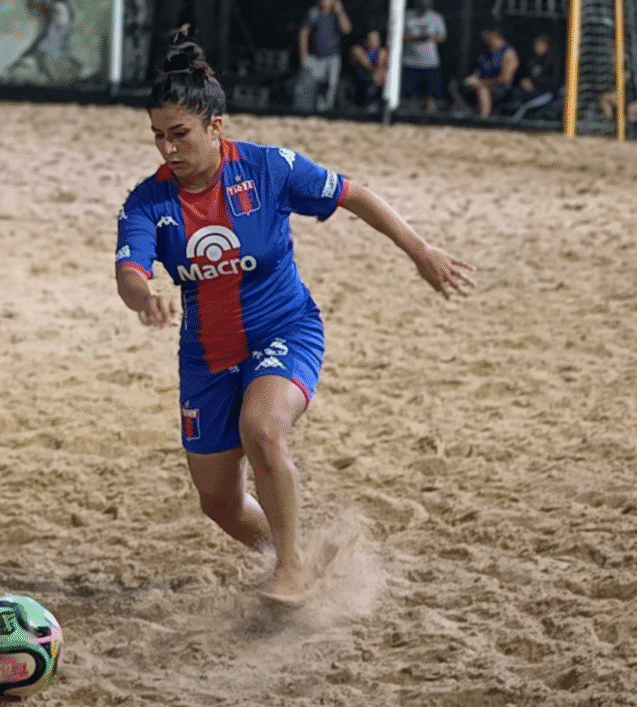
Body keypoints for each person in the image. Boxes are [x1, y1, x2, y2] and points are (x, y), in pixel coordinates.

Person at [114, 35, 475, 604]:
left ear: (216, 127)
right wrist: (146, 295)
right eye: (158, 136)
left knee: (261, 429)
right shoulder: (148, 203)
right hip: (207, 356)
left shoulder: (267, 168)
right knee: (219, 503)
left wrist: (420, 250)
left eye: (179, 133)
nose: (167, 148)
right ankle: (299, 558)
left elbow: (354, 194)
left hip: (285, 329)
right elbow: (129, 272)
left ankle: (290, 572)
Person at [292, 0, 352, 114]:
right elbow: (304, 32)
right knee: (307, 85)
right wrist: (303, 54)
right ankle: (303, 110)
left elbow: (347, 29)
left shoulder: (337, 14)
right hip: (314, 58)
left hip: (332, 58)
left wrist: (340, 12)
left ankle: (325, 111)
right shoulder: (313, 12)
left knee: (330, 87)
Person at [450, 21, 519, 118]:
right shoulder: (485, 51)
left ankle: (484, 119)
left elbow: (505, 79)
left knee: (482, 89)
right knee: (454, 86)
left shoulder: (508, 53)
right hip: (482, 82)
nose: (483, 36)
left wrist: (482, 82)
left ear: (493, 34)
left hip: (500, 87)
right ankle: (466, 111)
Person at [401, 0, 446, 112]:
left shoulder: (436, 17)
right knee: (408, 95)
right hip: (410, 62)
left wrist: (431, 37)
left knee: (431, 95)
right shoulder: (407, 16)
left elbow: (442, 37)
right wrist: (418, 38)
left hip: (431, 63)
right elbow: (399, 37)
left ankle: (430, 116)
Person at [349, 27, 388, 111]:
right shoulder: (358, 49)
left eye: (376, 39)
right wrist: (375, 73)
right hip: (361, 76)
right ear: (366, 40)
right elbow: (367, 66)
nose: (374, 42)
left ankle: (377, 104)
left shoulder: (382, 52)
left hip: (375, 77)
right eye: (371, 39)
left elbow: (380, 66)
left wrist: (379, 73)